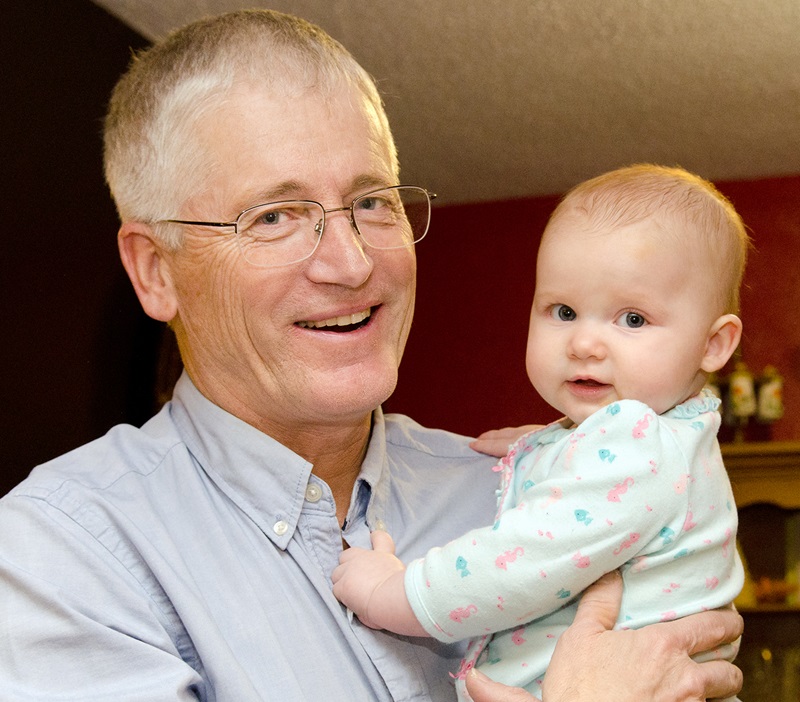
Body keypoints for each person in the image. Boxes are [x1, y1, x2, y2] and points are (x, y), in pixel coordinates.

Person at [0, 9, 743, 701]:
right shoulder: (67, 550)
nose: (351, 264)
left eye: (371, 202)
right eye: (276, 216)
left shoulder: (526, 485)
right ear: (157, 270)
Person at [333, 165, 748, 700]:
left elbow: (521, 562)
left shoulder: (635, 440)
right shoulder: (662, 440)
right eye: (565, 310)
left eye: (633, 320)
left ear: (714, 344)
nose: (585, 344)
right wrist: (551, 444)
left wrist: (396, 592)